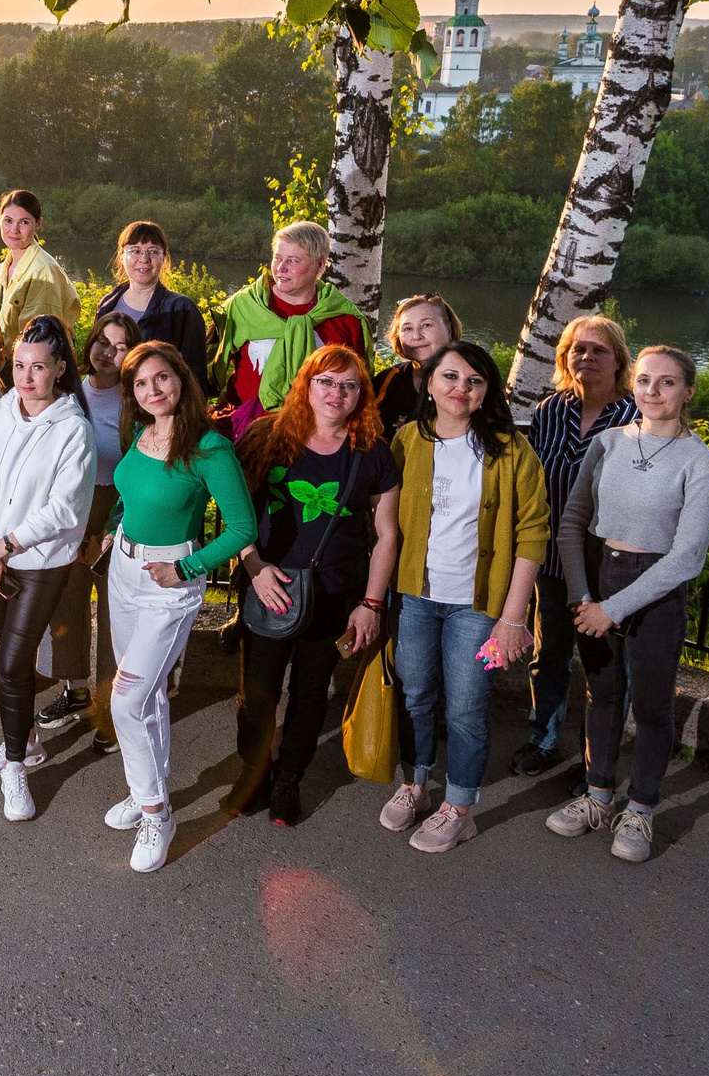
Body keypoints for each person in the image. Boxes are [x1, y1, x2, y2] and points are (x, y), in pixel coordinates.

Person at [545, 345, 709, 863]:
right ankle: (598, 797)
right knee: (601, 695)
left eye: (667, 383)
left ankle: (641, 808)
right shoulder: (606, 444)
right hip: (597, 577)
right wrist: (583, 596)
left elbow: (687, 557)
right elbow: (573, 524)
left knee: (649, 705)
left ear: (688, 392)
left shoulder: (700, 463)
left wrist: (613, 609)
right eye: (645, 381)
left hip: (656, 587)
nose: (653, 391)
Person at [383, 341, 548, 855]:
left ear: (486, 392)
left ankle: (460, 807)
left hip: (478, 607)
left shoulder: (509, 448)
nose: (461, 389)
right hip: (414, 597)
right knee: (414, 695)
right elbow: (383, 523)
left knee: (468, 707)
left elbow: (533, 532)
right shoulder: (406, 440)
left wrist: (513, 617)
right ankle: (416, 782)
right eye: (450, 377)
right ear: (429, 383)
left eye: (474, 381)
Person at [96, 342, 255, 872]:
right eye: (140, 384)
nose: (152, 390)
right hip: (122, 570)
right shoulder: (142, 433)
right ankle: (151, 786)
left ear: (181, 380)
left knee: (125, 699)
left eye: (161, 378)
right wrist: (116, 530)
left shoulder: (209, 448)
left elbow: (241, 529)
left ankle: (157, 812)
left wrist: (186, 569)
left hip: (169, 583)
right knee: (147, 694)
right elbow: (130, 494)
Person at [229, 344, 401, 829]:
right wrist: (254, 566)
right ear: (307, 383)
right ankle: (254, 772)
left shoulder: (372, 454)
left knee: (310, 694)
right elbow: (238, 516)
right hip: (269, 587)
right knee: (258, 694)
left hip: (335, 591)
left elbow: (387, 534)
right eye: (326, 381)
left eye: (349, 385)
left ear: (360, 396)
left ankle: (288, 779)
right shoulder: (267, 437)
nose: (336, 393)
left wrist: (371, 603)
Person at [0, 314, 97, 823]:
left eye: (38, 367)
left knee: (12, 665)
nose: (26, 376)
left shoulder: (73, 430)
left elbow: (65, 511)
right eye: (19, 365)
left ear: (60, 369)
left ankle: (16, 767)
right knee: (8, 655)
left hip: (40, 562)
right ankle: (31, 741)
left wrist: (7, 546)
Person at [514, 313, 639, 776]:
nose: (586, 357)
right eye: (577, 349)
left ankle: (596, 764)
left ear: (619, 359)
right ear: (565, 357)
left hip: (606, 566)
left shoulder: (634, 419)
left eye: (599, 350)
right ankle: (543, 740)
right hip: (551, 561)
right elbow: (535, 483)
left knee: (603, 668)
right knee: (548, 656)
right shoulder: (550, 410)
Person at [39, 309, 138, 749]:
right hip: (71, 507)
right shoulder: (68, 392)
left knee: (114, 612)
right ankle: (75, 687)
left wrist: (110, 528)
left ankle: (109, 707)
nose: (108, 352)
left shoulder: (135, 401)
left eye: (120, 346)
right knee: (67, 602)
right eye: (102, 341)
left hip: (117, 508)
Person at [211, 220, 367, 436]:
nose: (281, 268)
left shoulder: (343, 318)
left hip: (315, 434)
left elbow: (357, 387)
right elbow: (208, 365)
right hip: (245, 429)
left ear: (320, 265)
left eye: (292, 261)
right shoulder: (243, 306)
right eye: (277, 258)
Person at [0, 190, 81, 377]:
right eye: (8, 221)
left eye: (24, 222)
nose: (14, 230)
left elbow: (40, 345)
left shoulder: (43, 271)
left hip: (27, 379)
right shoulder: (2, 268)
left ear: (38, 224)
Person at [92, 221, 210, 379]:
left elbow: (195, 377)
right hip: (110, 400)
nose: (144, 259)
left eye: (153, 251)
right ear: (121, 257)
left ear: (164, 257)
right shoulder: (107, 304)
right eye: (135, 251)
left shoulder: (182, 309)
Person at [370, 294, 460, 434]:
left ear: (449, 330)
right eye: (407, 328)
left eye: (426, 325)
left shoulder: (473, 381)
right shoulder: (387, 381)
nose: (417, 336)